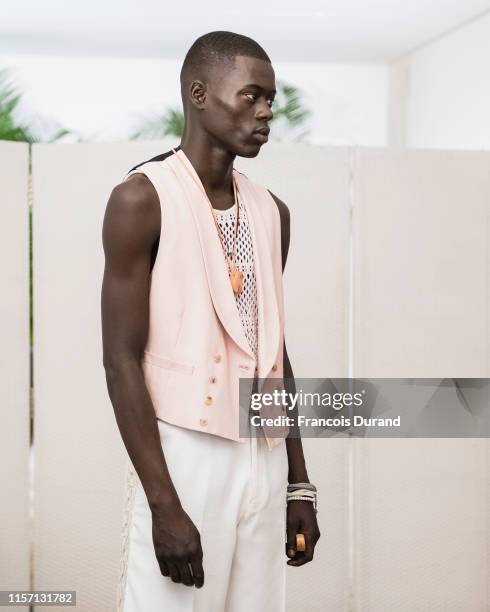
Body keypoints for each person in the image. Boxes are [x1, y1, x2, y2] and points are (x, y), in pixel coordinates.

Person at [101, 30, 320, 612]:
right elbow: (120, 361)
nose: (267, 111)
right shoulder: (141, 200)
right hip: (184, 454)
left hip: (265, 455)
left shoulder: (274, 213)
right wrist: (163, 502)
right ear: (199, 94)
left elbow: (274, 353)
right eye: (251, 96)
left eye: (270, 98)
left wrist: (298, 481)